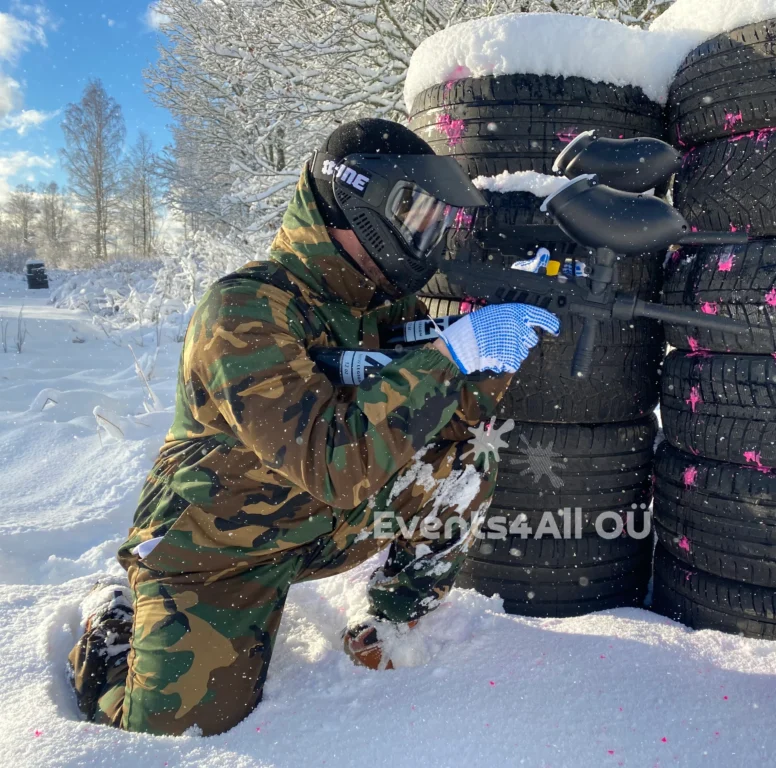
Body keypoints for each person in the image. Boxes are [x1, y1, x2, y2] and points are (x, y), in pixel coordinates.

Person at [67, 118, 559, 736]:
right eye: (415, 215)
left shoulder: (384, 304)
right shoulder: (245, 308)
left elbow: (451, 425)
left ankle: (391, 620)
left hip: (323, 525)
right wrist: (449, 356)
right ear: (357, 206)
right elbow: (333, 461)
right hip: (216, 547)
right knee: (170, 731)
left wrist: (490, 360)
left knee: (465, 460)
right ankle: (112, 624)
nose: (426, 235)